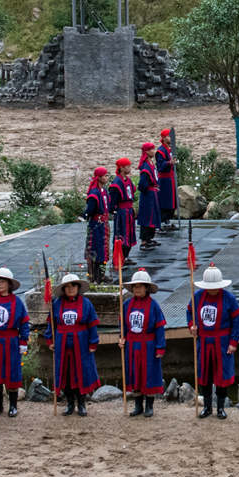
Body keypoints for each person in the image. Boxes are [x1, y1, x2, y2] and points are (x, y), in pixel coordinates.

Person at [190, 265, 239, 419]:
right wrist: (191, 326)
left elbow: (237, 322)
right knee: (205, 375)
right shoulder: (197, 297)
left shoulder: (229, 299)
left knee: (221, 375)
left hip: (222, 343)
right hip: (204, 342)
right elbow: (189, 312)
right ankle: (206, 407)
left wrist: (233, 342)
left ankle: (220, 407)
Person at [46, 273, 102, 415]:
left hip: (81, 346)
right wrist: (50, 339)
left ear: (78, 287)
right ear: (64, 289)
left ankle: (81, 404)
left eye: (73, 286)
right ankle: (70, 404)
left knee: (80, 374)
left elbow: (92, 325)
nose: (70, 289)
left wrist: (93, 342)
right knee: (65, 376)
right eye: (67, 287)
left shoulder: (86, 303)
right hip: (62, 346)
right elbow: (51, 324)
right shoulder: (56, 303)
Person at [0, 266, 32, 418]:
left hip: (10, 342)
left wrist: (23, 341)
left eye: (2, 282)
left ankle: (13, 406)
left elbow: (23, 322)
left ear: (9, 284)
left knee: (11, 373)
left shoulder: (16, 302)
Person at [120, 268, 166, 417]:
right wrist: (122, 339)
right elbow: (124, 327)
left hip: (149, 345)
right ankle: (138, 405)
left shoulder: (153, 306)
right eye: (135, 286)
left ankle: (149, 406)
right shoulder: (126, 305)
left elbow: (159, 327)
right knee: (135, 374)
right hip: (132, 345)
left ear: (147, 288)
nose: (137, 289)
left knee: (149, 374)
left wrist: (160, 347)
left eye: (140, 286)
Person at [84, 166, 109, 282]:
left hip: (103, 225)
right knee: (95, 250)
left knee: (103, 251)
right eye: (105, 175)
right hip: (96, 225)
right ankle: (94, 276)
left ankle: (101, 275)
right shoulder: (94, 193)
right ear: (99, 178)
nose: (107, 177)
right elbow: (89, 210)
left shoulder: (104, 191)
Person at [136, 141, 162, 248]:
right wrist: (150, 188)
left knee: (152, 215)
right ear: (146, 152)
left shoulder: (151, 163)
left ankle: (150, 238)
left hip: (152, 194)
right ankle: (144, 241)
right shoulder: (146, 166)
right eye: (151, 149)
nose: (153, 151)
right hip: (148, 196)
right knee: (147, 217)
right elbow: (142, 184)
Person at [110, 157, 137, 257]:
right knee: (121, 234)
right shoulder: (116, 183)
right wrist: (114, 211)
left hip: (129, 211)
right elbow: (113, 201)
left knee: (129, 235)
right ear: (121, 168)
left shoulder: (128, 180)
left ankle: (126, 256)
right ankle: (119, 258)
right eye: (127, 166)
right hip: (122, 212)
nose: (130, 168)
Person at [155, 130, 178, 231]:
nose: (171, 139)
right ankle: (163, 221)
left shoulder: (170, 149)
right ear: (164, 138)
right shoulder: (160, 151)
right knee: (165, 201)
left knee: (172, 201)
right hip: (164, 180)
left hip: (171, 178)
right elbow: (160, 166)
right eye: (169, 136)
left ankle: (168, 219)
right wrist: (169, 162)